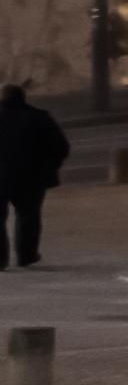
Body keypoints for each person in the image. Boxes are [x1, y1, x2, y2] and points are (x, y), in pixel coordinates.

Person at [0, 81, 63, 269]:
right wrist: (48, 167)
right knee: (28, 217)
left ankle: (0, 259)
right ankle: (26, 255)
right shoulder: (39, 118)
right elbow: (61, 147)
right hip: (32, 178)